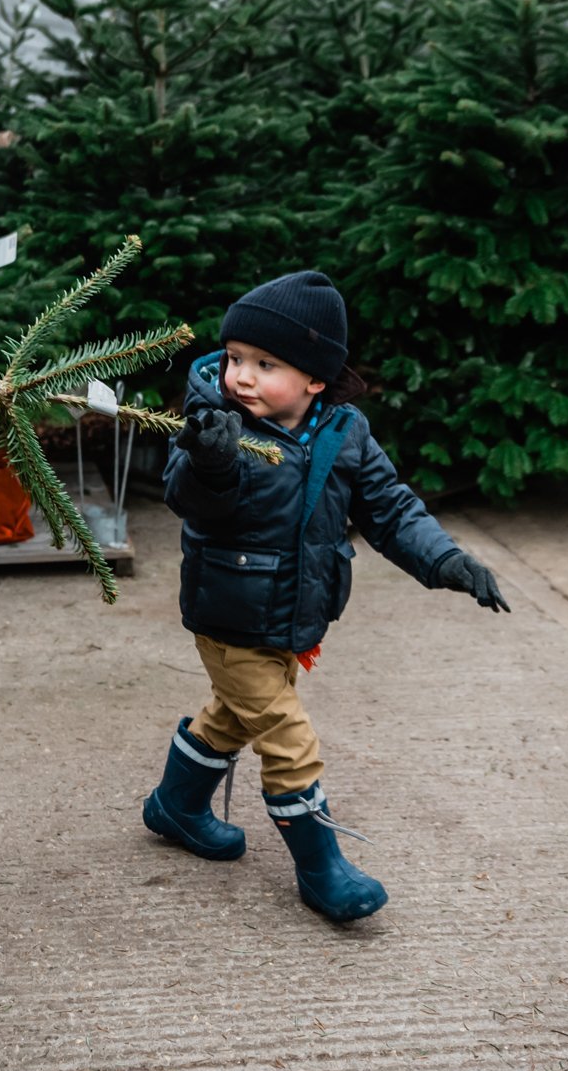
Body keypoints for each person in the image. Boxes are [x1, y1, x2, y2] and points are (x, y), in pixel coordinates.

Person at [145, 271, 511, 923]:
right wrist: (210, 461)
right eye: (233, 358)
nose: (241, 377)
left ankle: (177, 804)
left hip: (293, 616)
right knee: (288, 738)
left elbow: (391, 510)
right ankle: (322, 870)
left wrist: (447, 560)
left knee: (234, 716)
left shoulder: (344, 432)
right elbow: (187, 498)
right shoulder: (216, 423)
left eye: (265, 363)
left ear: (315, 379)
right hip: (228, 613)